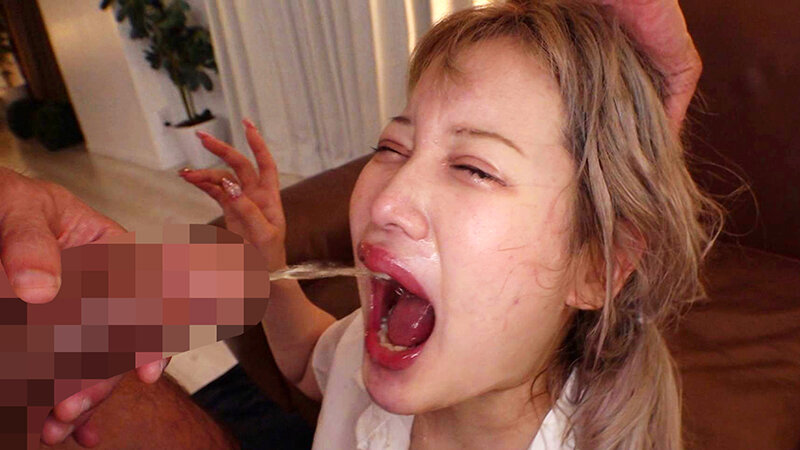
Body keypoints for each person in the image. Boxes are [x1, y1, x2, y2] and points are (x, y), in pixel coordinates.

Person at [0, 0, 708, 447]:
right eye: (392, 147)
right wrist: (266, 263)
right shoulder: (371, 356)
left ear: (597, 266)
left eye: (473, 168)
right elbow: (313, 361)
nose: (387, 199)